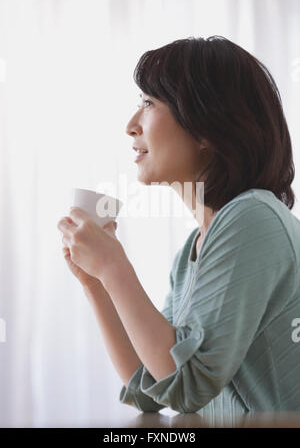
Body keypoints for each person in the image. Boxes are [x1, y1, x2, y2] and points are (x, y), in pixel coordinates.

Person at [57, 36, 300, 424]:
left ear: (206, 126)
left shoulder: (252, 218)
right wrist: (96, 282)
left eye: (149, 104)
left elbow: (186, 385)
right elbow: (150, 386)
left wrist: (115, 268)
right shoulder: (196, 248)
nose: (131, 125)